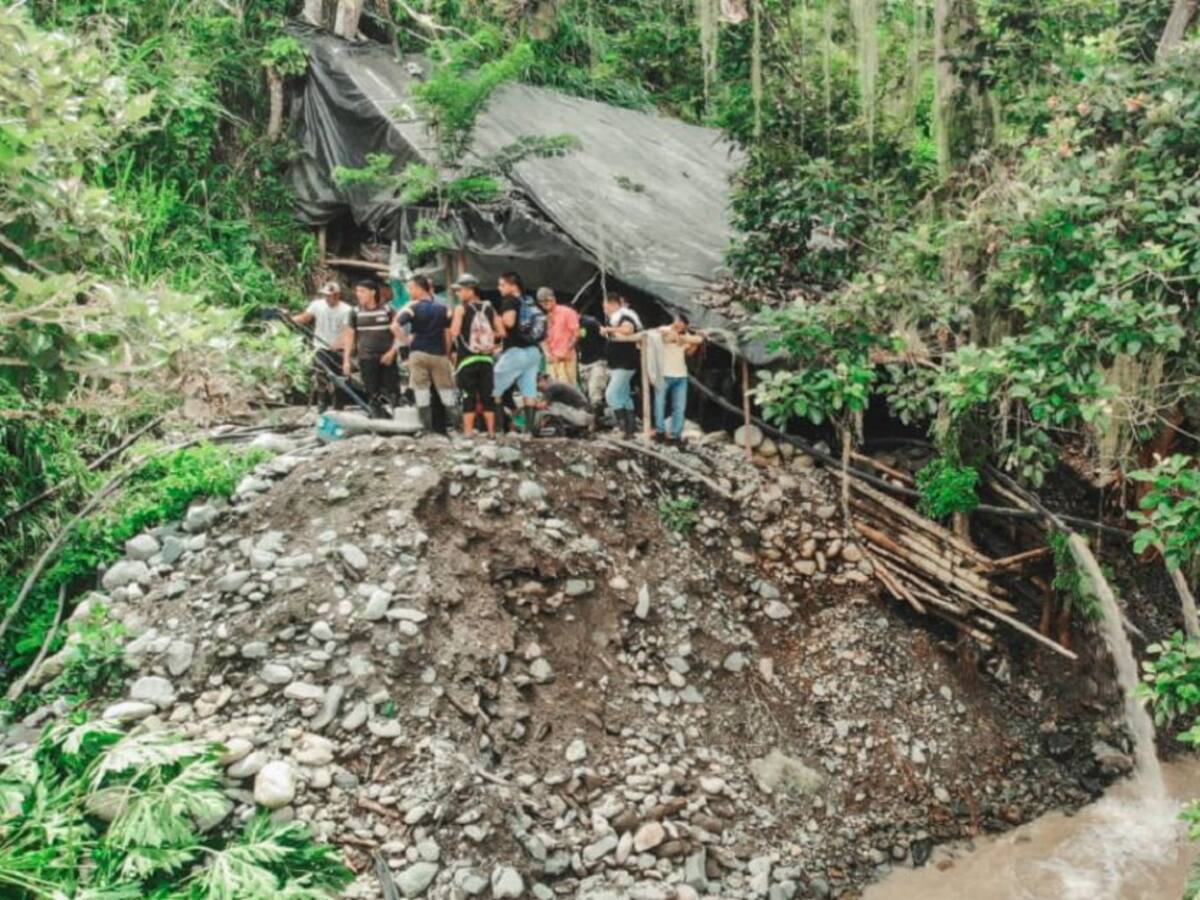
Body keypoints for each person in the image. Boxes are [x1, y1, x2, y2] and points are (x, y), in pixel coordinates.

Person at [398, 274, 460, 432]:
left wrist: (405, 342)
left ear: (419, 288)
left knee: (421, 392)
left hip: (418, 353)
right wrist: (446, 353)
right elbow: (448, 334)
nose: (409, 291)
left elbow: (395, 325)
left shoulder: (412, 307)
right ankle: (460, 427)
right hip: (438, 354)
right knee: (447, 393)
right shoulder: (443, 308)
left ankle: (426, 430)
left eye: (411, 288)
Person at [448, 273, 503, 437]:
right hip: (486, 359)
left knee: (469, 397)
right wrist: (490, 343)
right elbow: (501, 332)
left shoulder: (460, 309)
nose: (458, 293)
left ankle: (468, 432)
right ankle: (492, 433)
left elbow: (455, 332)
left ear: (471, 290)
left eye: (460, 290)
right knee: (487, 397)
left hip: (467, 360)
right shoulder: (489, 307)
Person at [492, 271, 545, 435]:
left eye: (502, 284)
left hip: (516, 352)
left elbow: (509, 322)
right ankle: (529, 431)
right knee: (529, 390)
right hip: (534, 352)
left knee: (493, 387)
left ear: (512, 286)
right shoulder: (528, 301)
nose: (499, 288)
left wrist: (496, 318)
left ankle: (499, 429)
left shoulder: (509, 300)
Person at [341, 278, 403, 418]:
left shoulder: (388, 310)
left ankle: (398, 418)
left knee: (393, 390)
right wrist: (346, 360)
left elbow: (398, 334)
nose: (358, 294)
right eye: (357, 291)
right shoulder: (354, 312)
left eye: (362, 291)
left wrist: (392, 352)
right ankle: (377, 417)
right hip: (366, 358)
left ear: (373, 292)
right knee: (371, 391)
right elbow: (349, 337)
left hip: (387, 357)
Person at [292, 280, 351, 411]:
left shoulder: (346, 310)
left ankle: (338, 406)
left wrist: (340, 343)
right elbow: (305, 317)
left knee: (339, 378)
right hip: (320, 347)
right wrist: (291, 318)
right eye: (326, 295)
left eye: (331, 295)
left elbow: (349, 332)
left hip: (338, 349)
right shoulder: (317, 305)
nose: (328, 298)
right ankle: (321, 405)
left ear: (337, 295)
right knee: (321, 375)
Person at [654, 314, 704, 444]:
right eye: (679, 322)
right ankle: (660, 431)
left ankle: (675, 435)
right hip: (664, 374)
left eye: (683, 323)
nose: (680, 325)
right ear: (675, 321)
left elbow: (691, 350)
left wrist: (691, 342)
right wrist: (680, 336)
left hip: (681, 375)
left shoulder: (686, 335)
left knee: (679, 407)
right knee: (660, 403)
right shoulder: (665, 330)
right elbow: (663, 334)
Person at [600, 294, 642, 438]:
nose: (604, 310)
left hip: (625, 364)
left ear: (614, 305)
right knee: (624, 396)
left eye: (606, 307)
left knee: (611, 394)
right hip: (619, 363)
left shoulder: (624, 317)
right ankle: (631, 429)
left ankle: (622, 428)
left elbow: (627, 330)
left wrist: (608, 330)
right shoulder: (615, 319)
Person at [537, 287, 581, 386]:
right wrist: (547, 354)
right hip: (552, 359)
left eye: (547, 300)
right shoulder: (544, 318)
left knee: (567, 389)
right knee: (553, 389)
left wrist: (566, 351)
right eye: (542, 302)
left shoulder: (567, 312)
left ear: (554, 298)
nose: (545, 304)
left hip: (566, 358)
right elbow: (542, 338)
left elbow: (576, 334)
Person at [577, 311, 608, 410]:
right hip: (583, 362)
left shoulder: (590, 322)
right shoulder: (567, 325)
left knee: (595, 391)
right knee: (585, 391)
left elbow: (605, 335)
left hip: (597, 361)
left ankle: (595, 422)